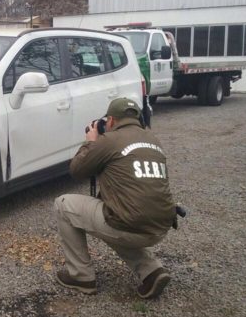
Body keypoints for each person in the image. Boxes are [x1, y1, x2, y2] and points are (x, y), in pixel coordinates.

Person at [53, 98, 176, 299]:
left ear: (110, 121)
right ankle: (151, 271)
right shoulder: (153, 140)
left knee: (63, 204)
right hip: (160, 226)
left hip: (130, 225)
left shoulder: (109, 141)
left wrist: (91, 141)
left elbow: (76, 169)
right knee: (117, 214)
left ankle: (80, 276)